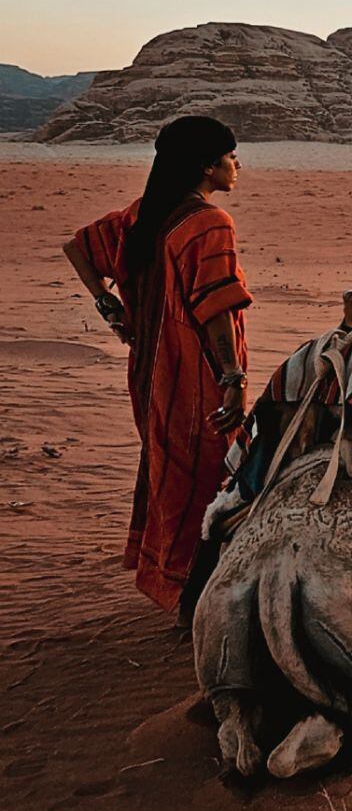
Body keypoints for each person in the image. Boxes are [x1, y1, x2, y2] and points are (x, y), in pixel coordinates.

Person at [63, 115, 252, 615]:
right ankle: (194, 592)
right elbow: (215, 309)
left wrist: (110, 308)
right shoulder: (209, 223)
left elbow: (78, 248)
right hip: (192, 374)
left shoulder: (144, 214)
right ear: (207, 167)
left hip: (149, 373)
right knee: (210, 475)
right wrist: (232, 379)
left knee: (171, 469)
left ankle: (172, 578)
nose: (238, 166)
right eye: (231, 157)